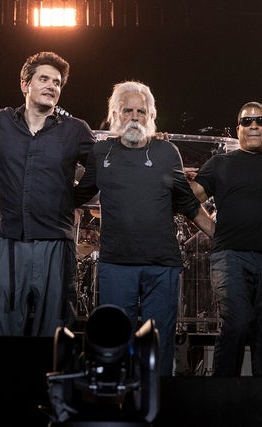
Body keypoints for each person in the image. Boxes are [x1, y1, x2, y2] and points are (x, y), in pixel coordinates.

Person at [74, 81, 215, 377]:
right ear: (115, 114)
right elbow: (79, 194)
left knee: (158, 345)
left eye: (141, 111)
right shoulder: (101, 152)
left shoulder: (167, 152)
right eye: (128, 111)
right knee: (114, 343)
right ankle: (117, 400)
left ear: (151, 115)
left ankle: (157, 400)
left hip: (162, 265)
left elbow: (188, 204)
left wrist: (222, 237)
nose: (135, 117)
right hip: (116, 263)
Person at [0, 51, 96, 336]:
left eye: (57, 82)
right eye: (44, 79)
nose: (51, 86)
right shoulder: (1, 122)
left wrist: (72, 199)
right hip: (8, 242)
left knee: (54, 333)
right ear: (25, 84)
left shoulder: (76, 130)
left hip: (55, 243)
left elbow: (101, 169)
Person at [189, 102, 262, 376]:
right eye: (247, 121)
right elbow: (188, 198)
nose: (253, 125)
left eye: (260, 121)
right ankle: (224, 394)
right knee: (237, 321)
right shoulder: (220, 163)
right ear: (238, 130)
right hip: (230, 258)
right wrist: (211, 229)